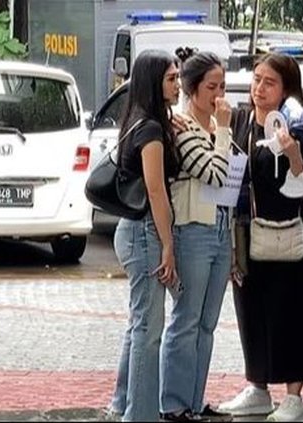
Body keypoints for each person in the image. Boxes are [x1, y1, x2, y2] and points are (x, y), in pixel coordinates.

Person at [218, 53, 303, 422]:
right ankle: (257, 385)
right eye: (257, 79)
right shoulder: (243, 121)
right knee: (250, 308)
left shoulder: (295, 127)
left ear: (286, 89)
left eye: (269, 82)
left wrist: (292, 153)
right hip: (245, 230)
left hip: (286, 232)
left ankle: (294, 396)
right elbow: (230, 177)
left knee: (289, 309)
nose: (259, 88)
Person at [159, 49, 234, 422]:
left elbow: (233, 179)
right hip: (193, 229)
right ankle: (173, 403)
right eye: (211, 87)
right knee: (186, 319)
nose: (218, 95)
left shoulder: (215, 130)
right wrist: (222, 131)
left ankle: (194, 398)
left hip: (221, 229)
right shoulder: (184, 128)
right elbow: (215, 174)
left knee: (208, 323)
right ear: (191, 89)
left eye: (222, 86)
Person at [108, 50, 180, 422]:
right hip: (145, 233)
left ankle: (123, 404)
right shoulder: (150, 129)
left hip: (133, 231)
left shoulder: (141, 121)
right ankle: (139, 415)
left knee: (140, 324)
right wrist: (168, 245)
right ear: (154, 82)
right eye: (171, 78)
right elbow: (156, 192)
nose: (178, 84)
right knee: (149, 330)